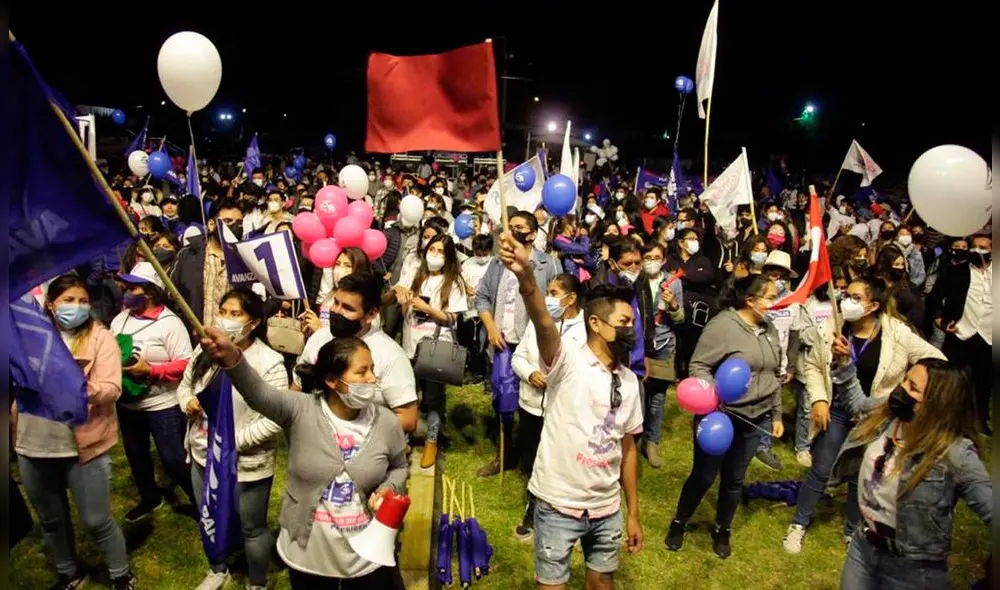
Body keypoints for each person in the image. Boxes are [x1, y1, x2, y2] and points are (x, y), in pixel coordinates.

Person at [198, 332, 408, 590]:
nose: (373, 378)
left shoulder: (386, 422)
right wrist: (233, 360)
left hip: (364, 555)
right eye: (362, 372)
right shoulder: (300, 410)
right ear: (333, 380)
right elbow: (259, 394)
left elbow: (399, 466)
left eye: (372, 369)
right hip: (309, 555)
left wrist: (389, 489)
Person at [498, 231, 644, 589]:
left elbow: (627, 450)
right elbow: (544, 323)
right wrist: (526, 277)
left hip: (607, 510)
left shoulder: (628, 383)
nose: (631, 330)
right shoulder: (567, 362)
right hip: (558, 505)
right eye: (623, 323)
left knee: (602, 582)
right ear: (595, 324)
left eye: (633, 323)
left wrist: (633, 514)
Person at [783, 275, 944, 553]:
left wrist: (904, 392)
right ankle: (798, 524)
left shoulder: (897, 333)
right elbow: (812, 366)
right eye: (846, 294)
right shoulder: (832, 326)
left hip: (876, 417)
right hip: (838, 411)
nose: (846, 301)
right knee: (821, 468)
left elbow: (938, 362)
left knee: (862, 474)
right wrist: (819, 399)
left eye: (856, 298)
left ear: (873, 306)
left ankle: (852, 531)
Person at [14, 275, 136, 590]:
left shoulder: (100, 337)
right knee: (51, 520)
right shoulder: (28, 337)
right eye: (68, 300)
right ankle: (69, 573)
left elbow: (111, 390)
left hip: (84, 446)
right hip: (33, 443)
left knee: (97, 520)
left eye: (83, 301)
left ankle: (120, 574)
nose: (77, 307)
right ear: (51, 304)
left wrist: (75, 386)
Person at [834, 359, 991, 589]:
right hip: (863, 547)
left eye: (912, 388)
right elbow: (858, 405)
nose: (901, 389)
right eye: (905, 380)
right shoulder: (888, 414)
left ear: (937, 404)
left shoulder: (954, 454)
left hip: (913, 570)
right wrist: (846, 365)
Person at [177, 290, 288, 590]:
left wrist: (231, 443)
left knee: (252, 527)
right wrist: (186, 401)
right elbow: (185, 385)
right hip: (202, 455)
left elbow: (274, 419)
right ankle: (218, 568)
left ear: (253, 322)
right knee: (208, 514)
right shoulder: (204, 353)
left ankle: (257, 583)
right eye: (223, 311)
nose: (226, 319)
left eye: (235, 314)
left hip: (246, 462)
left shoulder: (269, 362)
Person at [666, 275, 783, 559]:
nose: (774, 302)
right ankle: (680, 521)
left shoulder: (770, 329)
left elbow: (774, 375)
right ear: (750, 300)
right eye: (769, 297)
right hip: (722, 417)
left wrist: (776, 413)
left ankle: (722, 529)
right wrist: (713, 398)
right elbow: (699, 365)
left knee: (734, 479)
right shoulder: (722, 326)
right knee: (704, 475)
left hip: (755, 420)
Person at [474, 212, 559, 477]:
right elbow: (482, 297)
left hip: (532, 347)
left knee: (534, 405)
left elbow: (555, 307)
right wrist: (490, 326)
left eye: (519, 228)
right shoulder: (498, 263)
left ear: (532, 234)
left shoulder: (549, 264)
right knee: (503, 400)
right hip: (502, 344)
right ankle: (504, 452)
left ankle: (533, 458)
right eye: (510, 227)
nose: (512, 232)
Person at [110, 262, 196, 522]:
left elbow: (186, 363)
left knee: (172, 459)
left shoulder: (170, 323)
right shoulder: (121, 318)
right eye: (126, 286)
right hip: (128, 404)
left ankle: (200, 500)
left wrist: (151, 370)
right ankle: (150, 498)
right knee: (136, 456)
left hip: (162, 404)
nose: (126, 292)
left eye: (133, 287)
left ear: (149, 291)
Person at [510, 274, 587, 541]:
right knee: (533, 461)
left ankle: (568, 516)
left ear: (571, 298)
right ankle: (533, 508)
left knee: (563, 463)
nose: (548, 298)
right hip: (532, 406)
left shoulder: (586, 329)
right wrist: (530, 373)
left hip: (565, 411)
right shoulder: (539, 323)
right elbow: (518, 357)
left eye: (554, 293)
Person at [294, 274, 419, 434]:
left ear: (371, 314)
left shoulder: (391, 355)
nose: (337, 311)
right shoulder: (319, 338)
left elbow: (407, 419)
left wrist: (352, 434)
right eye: (336, 303)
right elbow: (296, 389)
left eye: (348, 308)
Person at [393, 234, 468, 466]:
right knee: (406, 396)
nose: (434, 255)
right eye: (431, 249)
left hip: (436, 349)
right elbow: (401, 298)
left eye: (440, 251)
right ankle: (403, 441)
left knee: (434, 398)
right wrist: (403, 297)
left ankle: (431, 442)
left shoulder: (454, 283)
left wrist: (428, 308)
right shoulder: (417, 275)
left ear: (448, 257)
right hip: (410, 346)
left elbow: (452, 318)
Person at [929, 234, 992, 435]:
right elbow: (934, 298)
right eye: (975, 247)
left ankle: (979, 421)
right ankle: (947, 420)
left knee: (984, 383)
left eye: (984, 247)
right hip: (960, 335)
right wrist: (939, 319)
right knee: (953, 381)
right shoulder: (955, 272)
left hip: (989, 337)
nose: (978, 251)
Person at [637, 242, 684, 468]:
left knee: (657, 397)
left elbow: (680, 319)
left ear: (664, 259)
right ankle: (634, 438)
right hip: (638, 344)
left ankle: (651, 442)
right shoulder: (636, 280)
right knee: (636, 393)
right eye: (648, 256)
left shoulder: (674, 283)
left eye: (657, 257)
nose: (652, 261)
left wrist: (673, 304)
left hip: (664, 343)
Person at [171, 200, 244, 329]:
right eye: (227, 221)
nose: (234, 226)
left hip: (232, 339)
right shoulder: (187, 255)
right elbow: (172, 294)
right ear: (211, 224)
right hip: (195, 337)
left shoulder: (246, 258)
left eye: (239, 223)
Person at [305, 247, 373, 334]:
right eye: (337, 264)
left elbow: (350, 342)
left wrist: (319, 330)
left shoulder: (364, 303)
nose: (339, 269)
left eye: (347, 265)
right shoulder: (332, 294)